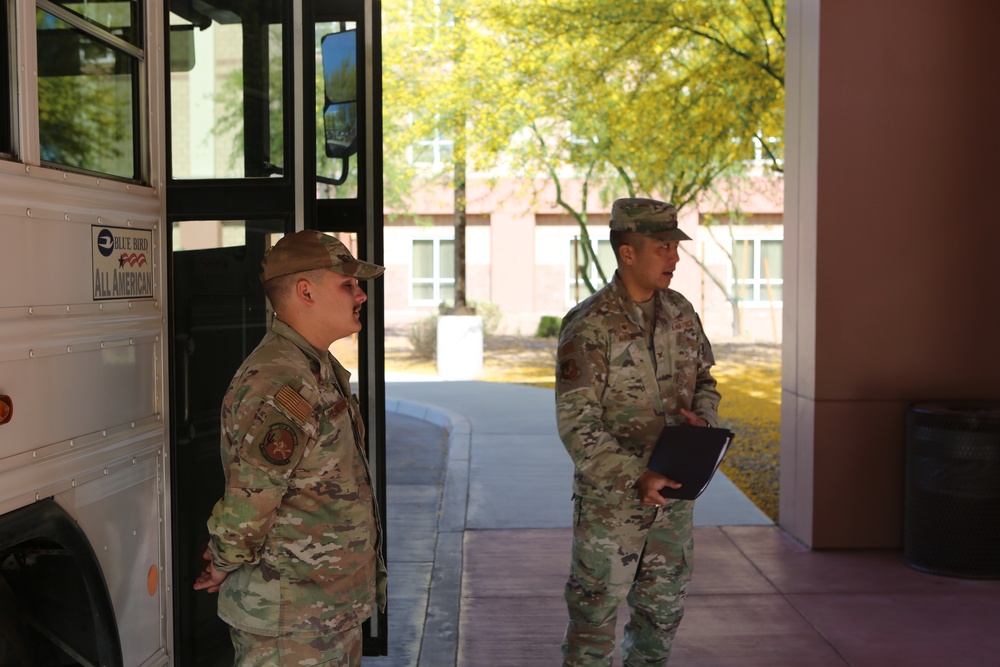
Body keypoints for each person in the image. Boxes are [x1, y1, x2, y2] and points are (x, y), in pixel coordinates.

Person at [194, 230, 387, 666]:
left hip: (321, 611)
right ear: (305, 291)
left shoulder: (309, 368)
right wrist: (223, 560)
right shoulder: (281, 381)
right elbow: (251, 499)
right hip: (291, 622)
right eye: (348, 284)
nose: (361, 295)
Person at [555, 198, 721, 666]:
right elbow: (577, 424)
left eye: (675, 246)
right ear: (628, 253)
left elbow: (706, 381)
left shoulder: (681, 313)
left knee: (660, 624)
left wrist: (703, 419)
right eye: (664, 247)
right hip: (612, 510)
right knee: (592, 631)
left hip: (673, 507)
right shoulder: (589, 326)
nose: (675, 257)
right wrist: (636, 476)